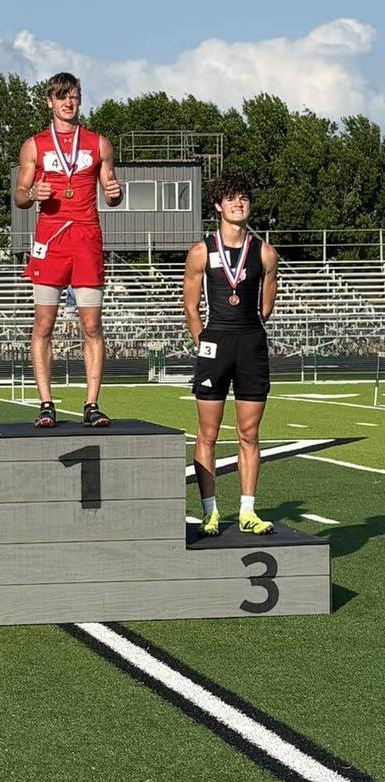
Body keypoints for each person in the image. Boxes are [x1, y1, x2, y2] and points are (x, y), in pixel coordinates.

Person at [14, 72, 123, 428]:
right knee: (44, 323)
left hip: (86, 239)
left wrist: (115, 194)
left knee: (91, 324)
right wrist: (33, 194)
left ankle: (92, 404)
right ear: (50, 101)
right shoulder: (34, 145)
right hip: (51, 240)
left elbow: (111, 191)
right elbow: (20, 195)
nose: (68, 102)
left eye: (73, 95)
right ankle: (46, 403)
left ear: (80, 99)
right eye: (61, 96)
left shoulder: (98, 144)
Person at [182, 172, 278, 536]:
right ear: (218, 206)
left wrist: (247, 330)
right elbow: (191, 307)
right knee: (207, 433)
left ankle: (247, 511)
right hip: (215, 344)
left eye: (244, 198)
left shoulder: (265, 252)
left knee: (249, 433)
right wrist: (204, 343)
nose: (239, 203)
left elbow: (266, 305)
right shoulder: (201, 251)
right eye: (231, 198)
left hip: (251, 344)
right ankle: (210, 511)